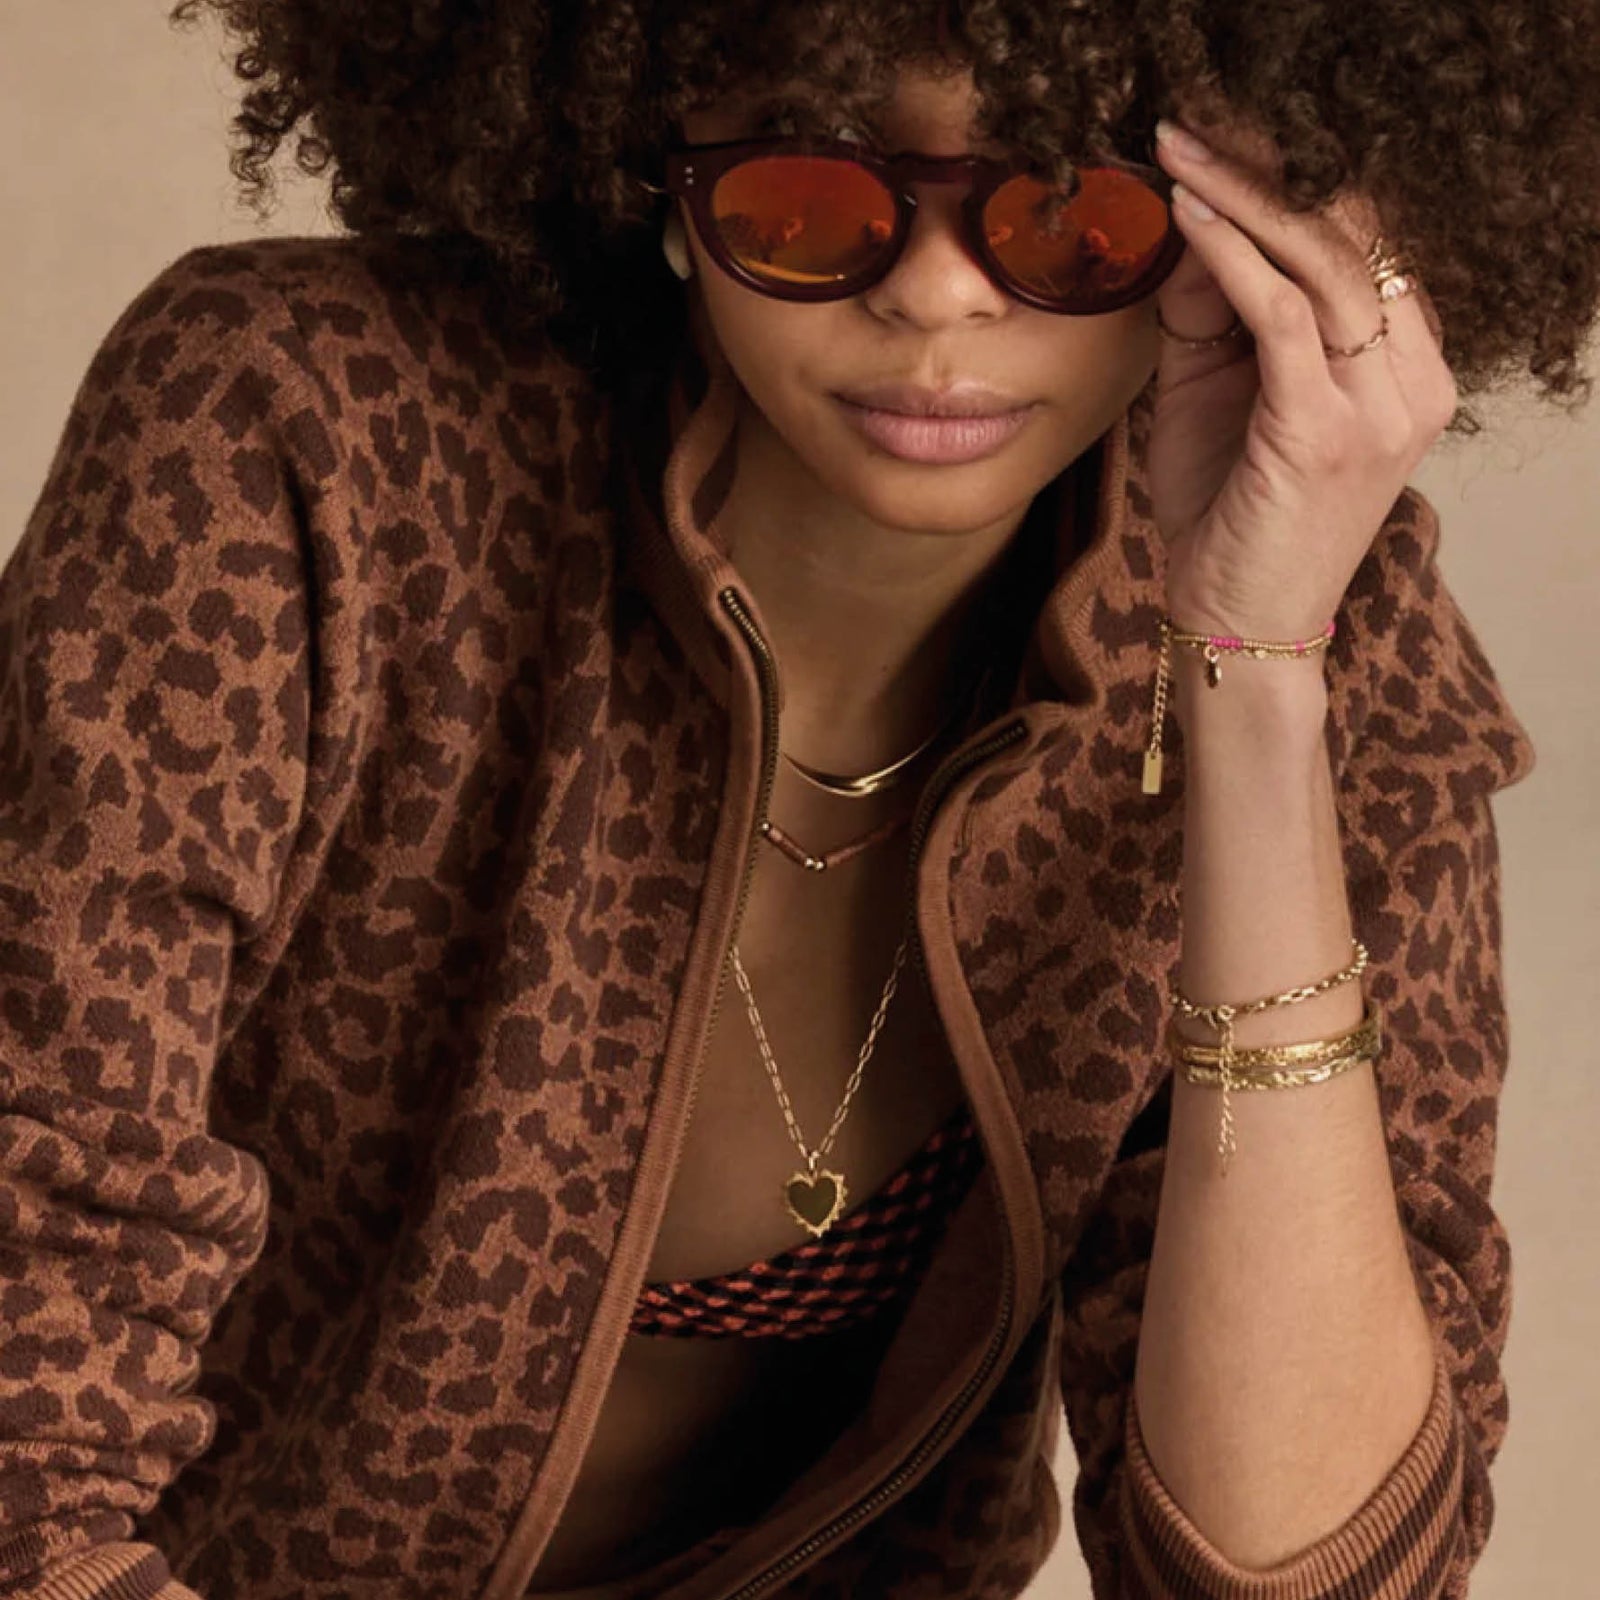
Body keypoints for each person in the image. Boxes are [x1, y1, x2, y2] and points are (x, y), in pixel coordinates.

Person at [2, 4, 1594, 1598]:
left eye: (1068, 205)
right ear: (660, 169)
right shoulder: (313, 443)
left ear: (1253, 216)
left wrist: (1254, 672)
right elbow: (26, 1482)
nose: (938, 295)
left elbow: (1309, 1580)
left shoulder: (1333, 635)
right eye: (809, 196)